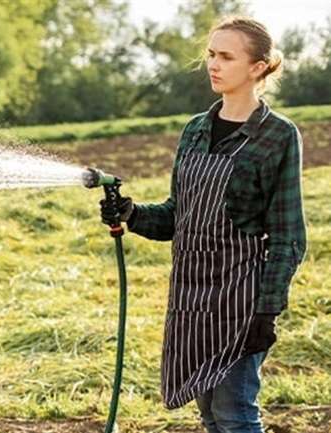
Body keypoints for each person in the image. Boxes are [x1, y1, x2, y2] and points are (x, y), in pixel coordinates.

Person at [100, 16, 307, 433]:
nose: (213, 64)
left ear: (258, 67)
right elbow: (177, 216)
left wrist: (267, 311)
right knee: (211, 414)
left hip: (239, 300)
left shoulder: (278, 135)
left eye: (226, 57)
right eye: (211, 54)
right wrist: (132, 214)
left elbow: (289, 237)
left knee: (235, 413)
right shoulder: (195, 130)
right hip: (190, 300)